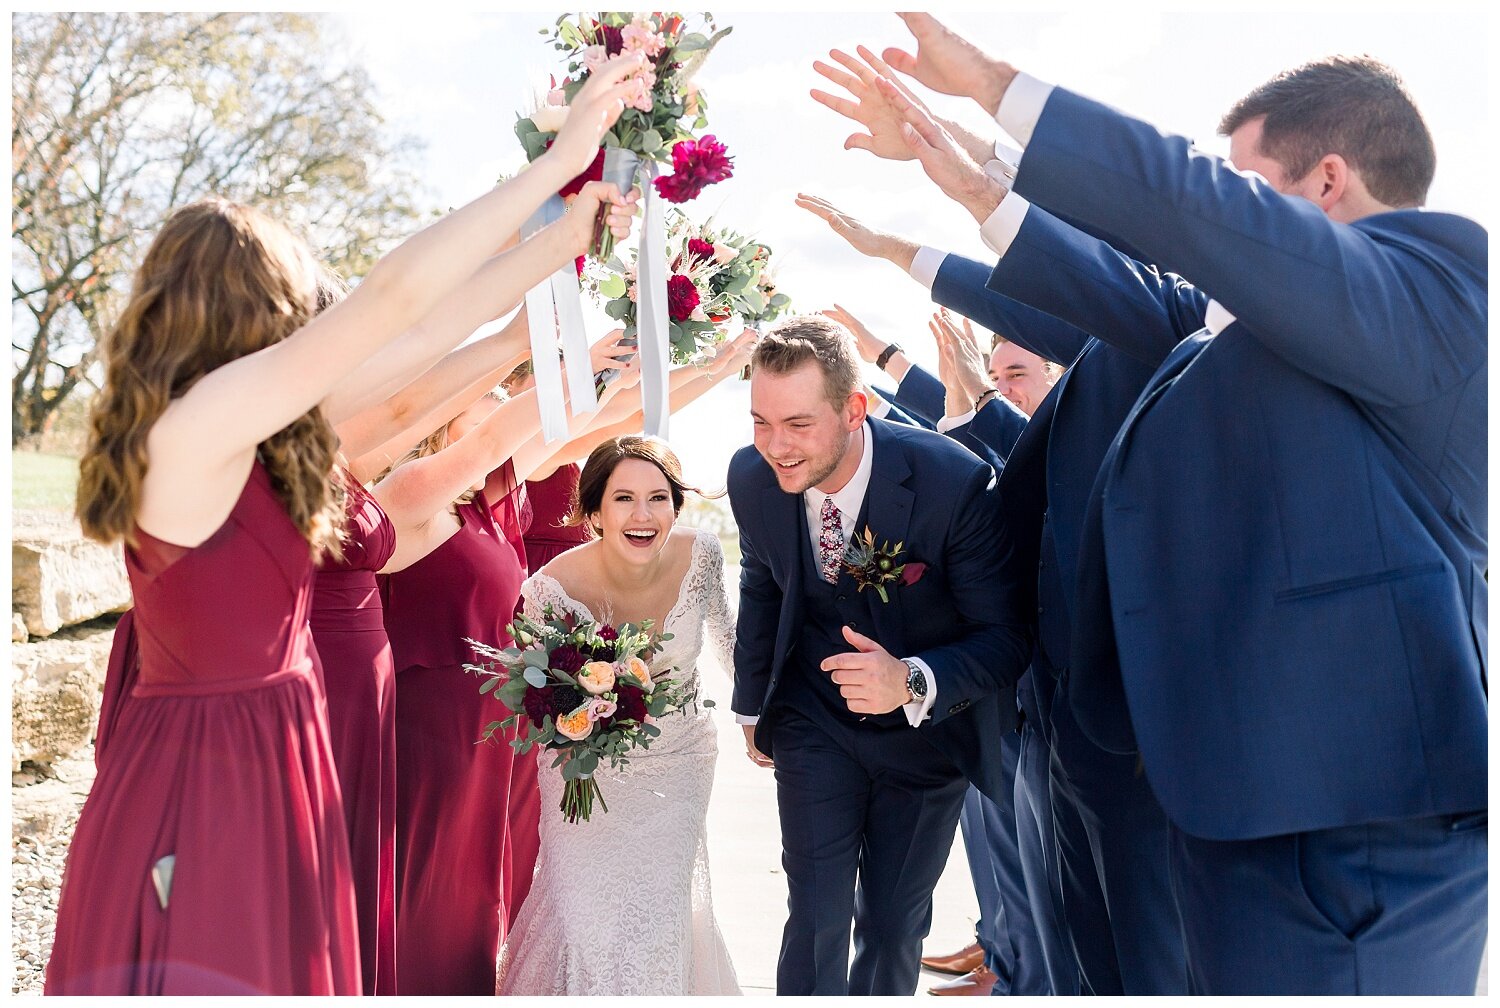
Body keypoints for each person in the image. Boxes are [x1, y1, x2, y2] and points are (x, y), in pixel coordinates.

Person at [868, 14, 1488, 994]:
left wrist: (996, 85)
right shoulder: (1280, 328)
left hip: (1350, 831)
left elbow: (1188, 214)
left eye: (1253, 190)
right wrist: (980, 185)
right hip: (1241, 807)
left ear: (1327, 181)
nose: (1231, 220)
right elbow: (1147, 303)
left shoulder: (1435, 293)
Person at [729, 315, 1032, 996]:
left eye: (797, 425)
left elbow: (1006, 636)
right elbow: (763, 582)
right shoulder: (752, 479)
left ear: (853, 409)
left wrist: (911, 680)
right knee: (814, 912)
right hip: (814, 720)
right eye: (760, 422)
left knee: (894, 926)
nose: (775, 448)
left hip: (926, 741)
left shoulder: (952, 482)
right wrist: (753, 701)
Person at [497, 436, 741, 996]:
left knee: (659, 916)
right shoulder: (551, 586)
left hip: (680, 762)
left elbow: (732, 648)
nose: (643, 515)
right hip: (584, 773)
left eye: (659, 498)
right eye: (624, 499)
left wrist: (769, 715)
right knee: (586, 917)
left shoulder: (701, 554)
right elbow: (538, 701)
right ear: (594, 512)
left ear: (677, 506)